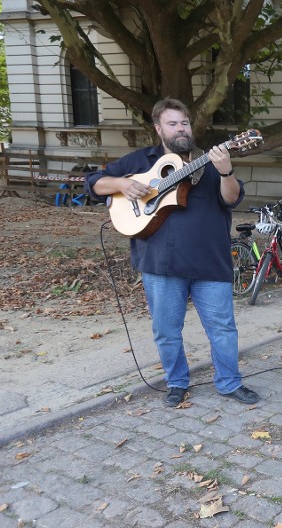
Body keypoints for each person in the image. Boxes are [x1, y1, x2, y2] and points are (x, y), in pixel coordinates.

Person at [85, 98, 260, 408]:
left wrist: (226, 171)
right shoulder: (141, 161)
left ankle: (229, 383)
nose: (181, 129)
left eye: (184, 123)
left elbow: (231, 199)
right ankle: (177, 382)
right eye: (172, 123)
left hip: (210, 260)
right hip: (160, 263)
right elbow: (94, 183)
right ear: (158, 129)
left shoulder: (209, 161)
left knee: (222, 328)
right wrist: (121, 186)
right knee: (166, 331)